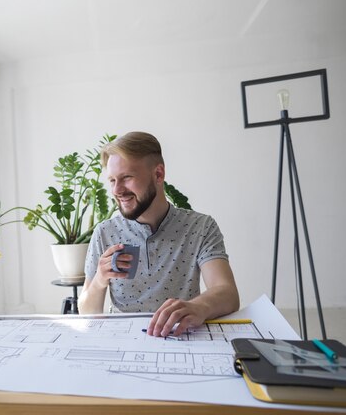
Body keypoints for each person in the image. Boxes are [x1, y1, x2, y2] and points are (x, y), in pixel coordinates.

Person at [78, 132, 239, 337]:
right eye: (112, 180)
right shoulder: (104, 232)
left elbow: (227, 292)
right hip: (122, 340)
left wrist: (200, 307)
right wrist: (100, 280)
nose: (117, 190)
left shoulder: (200, 227)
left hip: (181, 336)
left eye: (126, 177)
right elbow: (85, 311)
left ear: (158, 174)